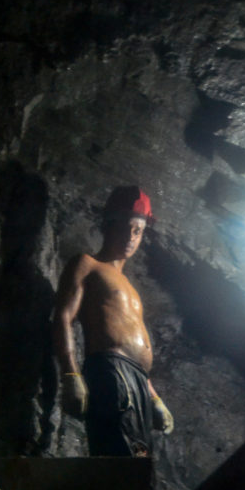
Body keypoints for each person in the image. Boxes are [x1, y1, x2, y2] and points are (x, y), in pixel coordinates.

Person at [53, 185, 174, 458]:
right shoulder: (87, 264)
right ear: (109, 225)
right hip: (111, 372)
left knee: (140, 461)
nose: (131, 237)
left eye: (138, 231)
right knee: (121, 458)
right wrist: (70, 373)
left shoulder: (130, 286)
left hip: (137, 379)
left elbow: (135, 344)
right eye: (127, 228)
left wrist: (154, 398)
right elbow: (63, 317)